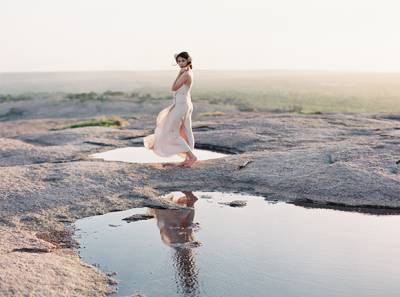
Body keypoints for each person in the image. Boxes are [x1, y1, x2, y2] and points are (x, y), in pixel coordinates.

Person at [143, 51, 198, 167]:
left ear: (188, 60)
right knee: (187, 130)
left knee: (171, 131)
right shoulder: (188, 72)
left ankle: (192, 157)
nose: (180, 63)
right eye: (178, 61)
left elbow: (173, 87)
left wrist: (179, 74)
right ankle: (189, 158)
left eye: (183, 61)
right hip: (184, 103)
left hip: (182, 104)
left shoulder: (186, 74)